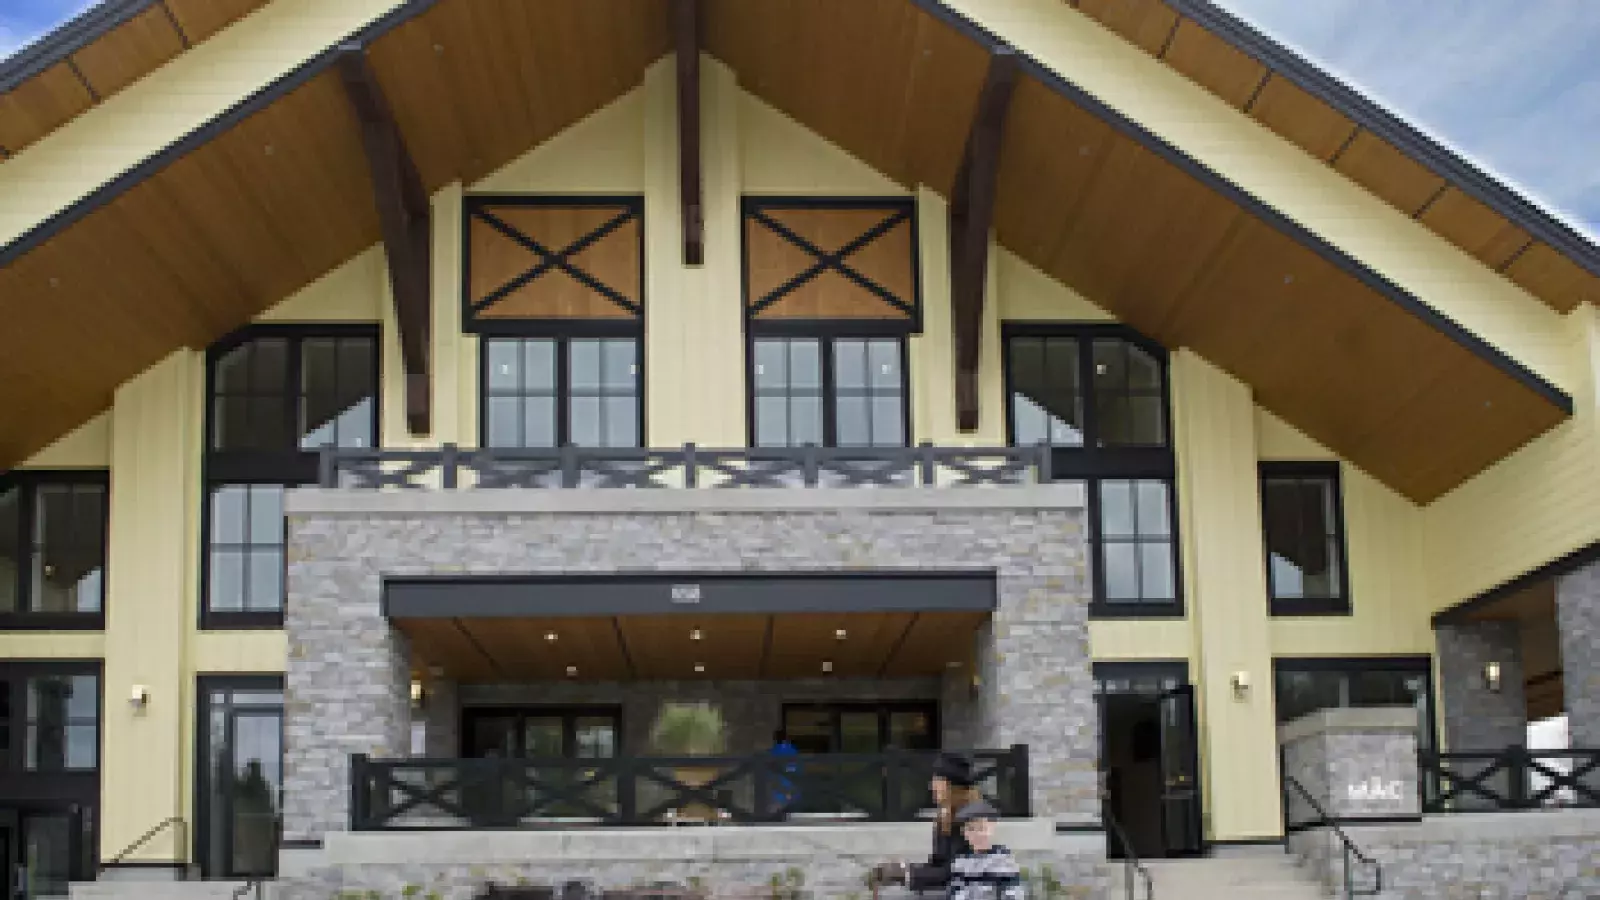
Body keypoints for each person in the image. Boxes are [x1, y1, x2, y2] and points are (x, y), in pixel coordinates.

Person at [870, 751, 983, 893]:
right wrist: (904, 868)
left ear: (950, 786)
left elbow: (955, 871)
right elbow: (938, 864)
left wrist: (907, 874)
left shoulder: (970, 820)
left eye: (936, 782)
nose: (931, 787)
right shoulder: (945, 816)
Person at [946, 800, 1025, 900]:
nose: (977, 834)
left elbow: (1013, 893)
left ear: (991, 829)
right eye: (971, 829)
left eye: (981, 829)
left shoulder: (1003, 861)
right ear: (964, 833)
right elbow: (954, 892)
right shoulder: (960, 861)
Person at [769, 729, 800, 814]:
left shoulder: (773, 751)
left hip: (779, 783)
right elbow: (797, 766)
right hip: (791, 781)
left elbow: (771, 769)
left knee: (780, 805)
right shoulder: (793, 750)